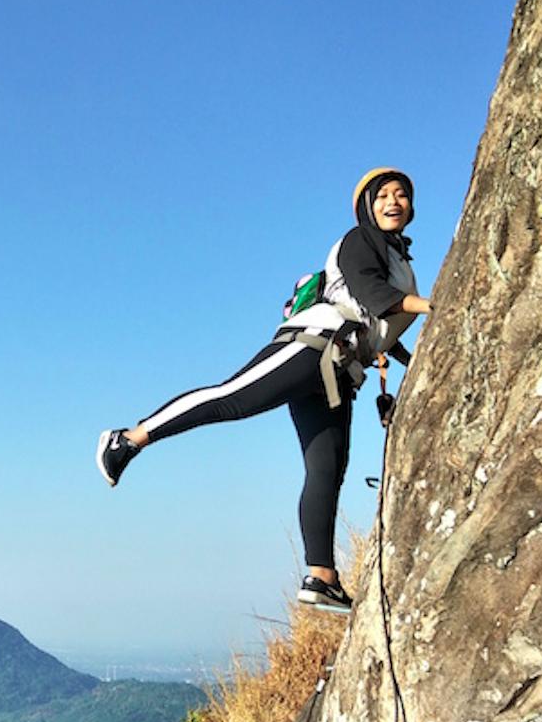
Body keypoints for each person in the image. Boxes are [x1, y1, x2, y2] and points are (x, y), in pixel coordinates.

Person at [95, 168, 432, 613]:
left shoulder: (399, 260)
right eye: (383, 195)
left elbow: (384, 326)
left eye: (401, 194)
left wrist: (415, 356)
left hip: (339, 370)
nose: (393, 201)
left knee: (327, 467)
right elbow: (373, 296)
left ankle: (321, 577)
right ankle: (127, 439)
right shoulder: (360, 240)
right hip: (312, 346)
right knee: (233, 398)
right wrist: (436, 305)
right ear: (366, 206)